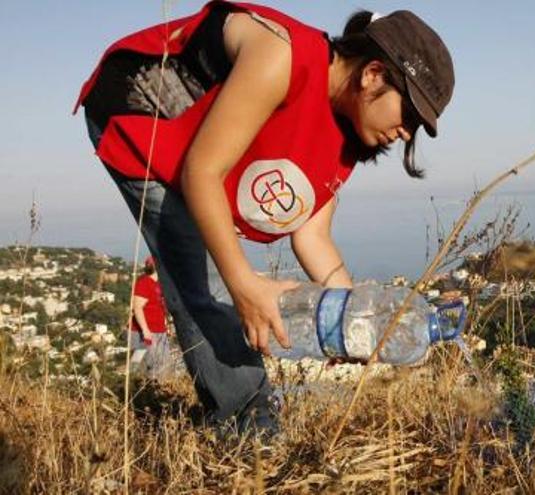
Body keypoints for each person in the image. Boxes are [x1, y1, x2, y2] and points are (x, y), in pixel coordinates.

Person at [74, 1, 454, 436]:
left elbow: (312, 236)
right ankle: (249, 428)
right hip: (141, 112)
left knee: (217, 271)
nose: (407, 133)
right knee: (205, 281)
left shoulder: (343, 135)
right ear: (372, 74)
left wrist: (352, 318)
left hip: (198, 152)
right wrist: (244, 286)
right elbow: (202, 172)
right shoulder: (281, 55)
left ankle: (249, 418)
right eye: (409, 114)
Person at [129, 255, 172, 379]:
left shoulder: (159, 284)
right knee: (144, 368)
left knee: (162, 365)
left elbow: (160, 307)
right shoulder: (144, 283)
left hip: (158, 330)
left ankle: (155, 392)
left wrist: (166, 326)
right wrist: (145, 330)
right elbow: (137, 307)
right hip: (144, 332)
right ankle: (142, 393)